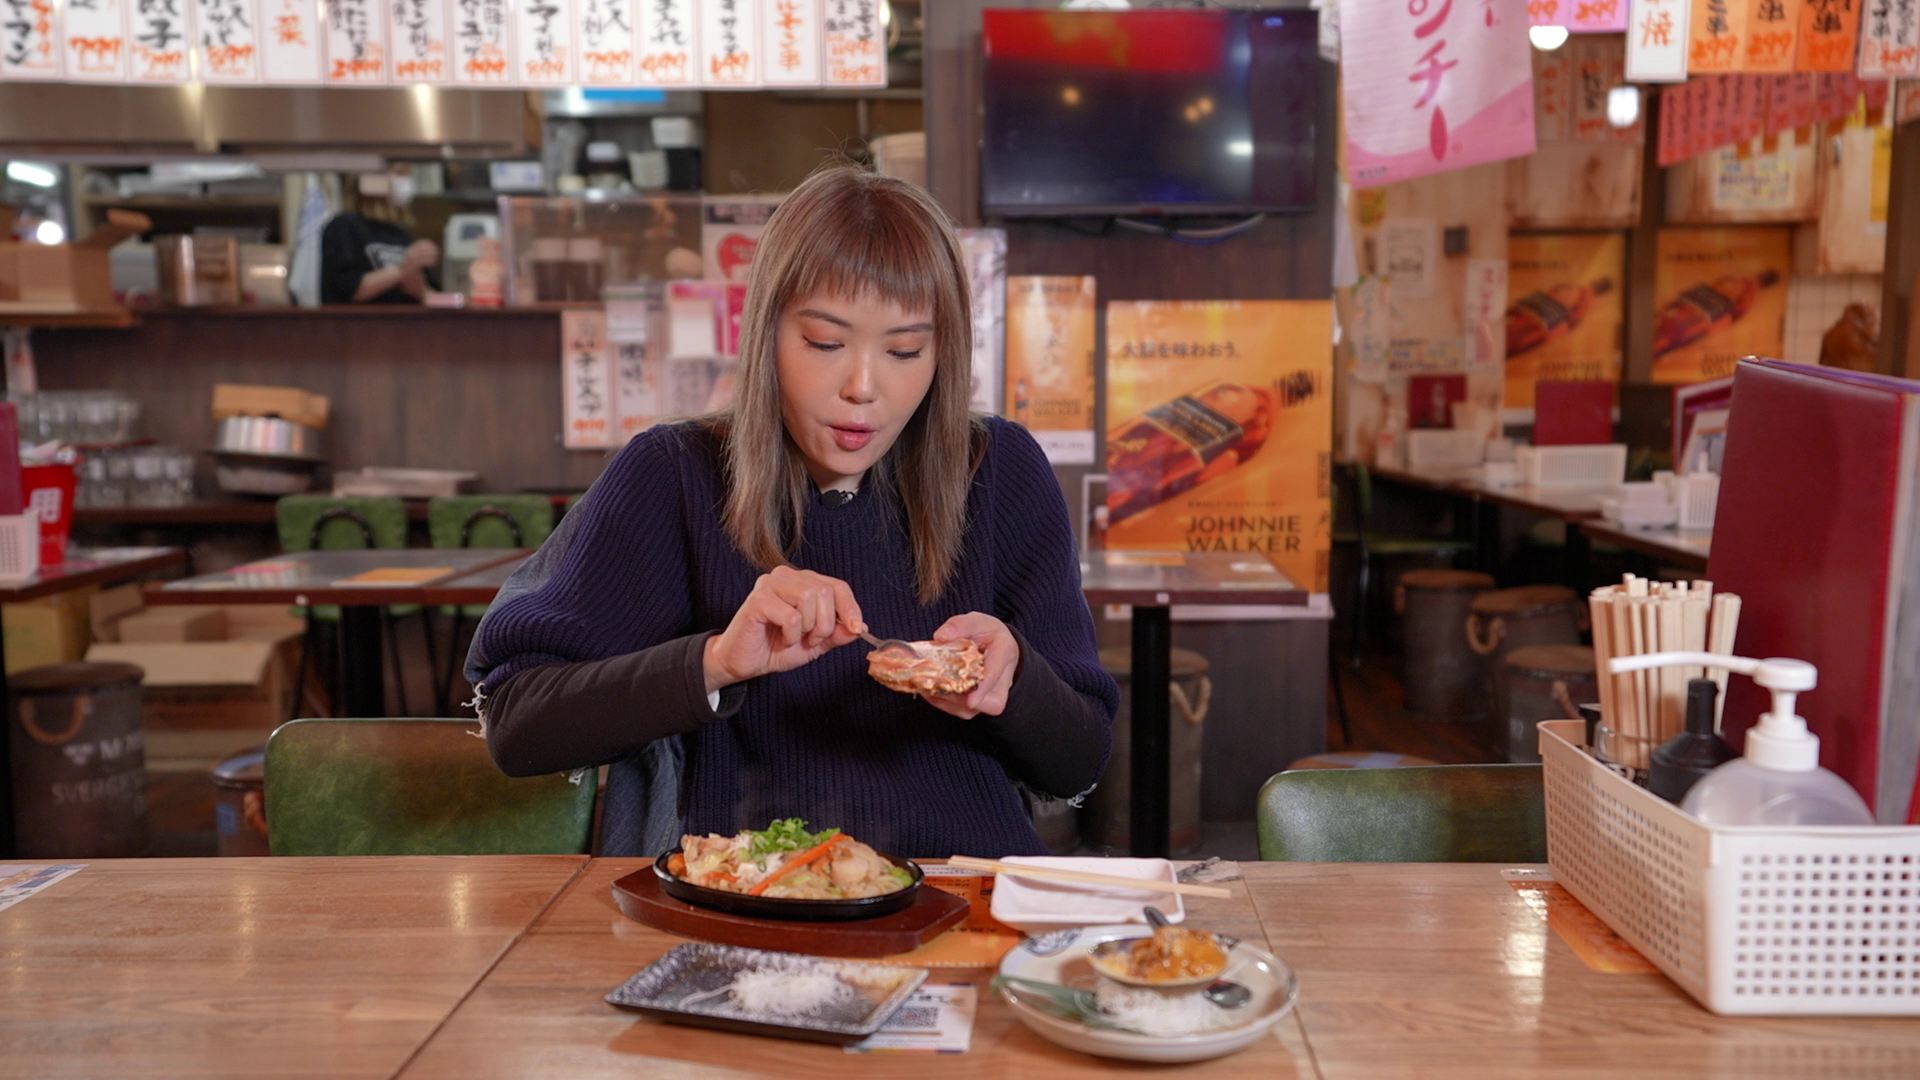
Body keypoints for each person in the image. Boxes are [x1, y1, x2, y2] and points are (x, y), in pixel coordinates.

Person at [467, 164, 1118, 859]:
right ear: (767, 333)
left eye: (904, 350)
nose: (864, 388)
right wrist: (715, 663)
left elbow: (1079, 762)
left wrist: (1011, 681)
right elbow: (517, 725)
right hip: (747, 896)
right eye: (825, 344)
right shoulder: (675, 475)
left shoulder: (997, 469)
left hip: (963, 895)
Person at [319, 211, 440, 304]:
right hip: (357, 330)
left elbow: (432, 295)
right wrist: (402, 270)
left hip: (407, 329)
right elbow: (348, 289)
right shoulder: (345, 226)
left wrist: (422, 292)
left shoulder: (404, 236)